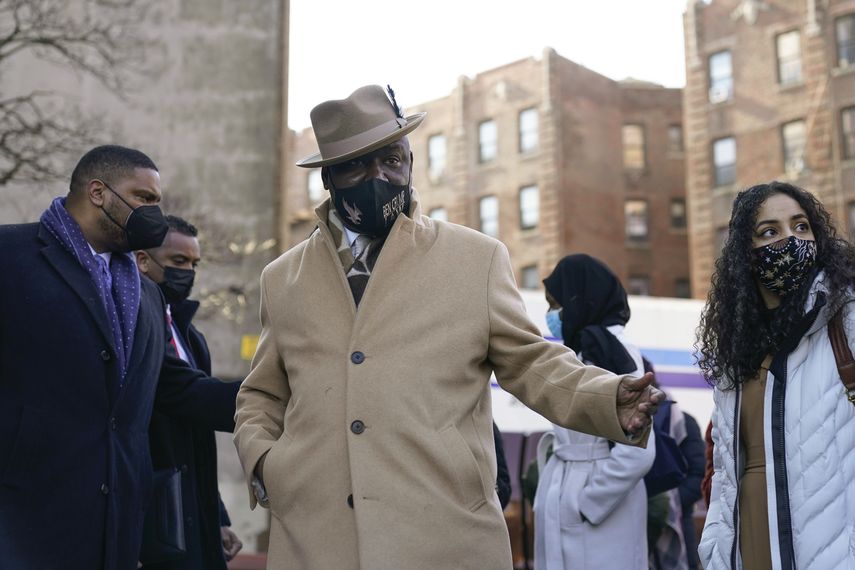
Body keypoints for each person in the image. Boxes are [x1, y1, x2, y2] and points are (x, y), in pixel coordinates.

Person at [232, 85, 663, 570]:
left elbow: (531, 362)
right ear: (329, 178)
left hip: (445, 537)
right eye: (359, 164)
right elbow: (263, 394)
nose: (381, 176)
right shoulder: (282, 279)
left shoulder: (475, 259)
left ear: (411, 161)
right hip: (316, 540)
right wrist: (268, 464)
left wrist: (605, 398)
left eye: (392, 159)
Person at [0, 145, 239, 570]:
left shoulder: (145, 293)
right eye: (144, 198)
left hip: (117, 533)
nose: (155, 212)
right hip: (24, 527)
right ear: (98, 192)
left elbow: (173, 387)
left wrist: (275, 395)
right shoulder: (11, 256)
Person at [697, 181, 855, 569]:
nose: (791, 239)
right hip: (751, 550)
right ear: (745, 255)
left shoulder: (846, 321)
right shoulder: (735, 356)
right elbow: (723, 478)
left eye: (801, 227)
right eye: (770, 232)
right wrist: (715, 554)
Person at [533, 254, 656, 570]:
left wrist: (587, 502)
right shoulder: (582, 349)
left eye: (556, 304)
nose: (552, 314)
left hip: (599, 503)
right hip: (570, 487)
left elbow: (638, 449)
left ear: (579, 297)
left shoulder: (614, 348)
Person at [136, 215, 242, 569]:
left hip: (192, 516)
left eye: (194, 263)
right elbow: (185, 393)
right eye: (178, 261)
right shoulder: (132, 323)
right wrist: (266, 398)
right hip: (152, 517)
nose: (189, 272)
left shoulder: (188, 334)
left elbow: (197, 440)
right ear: (142, 260)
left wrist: (218, 517)